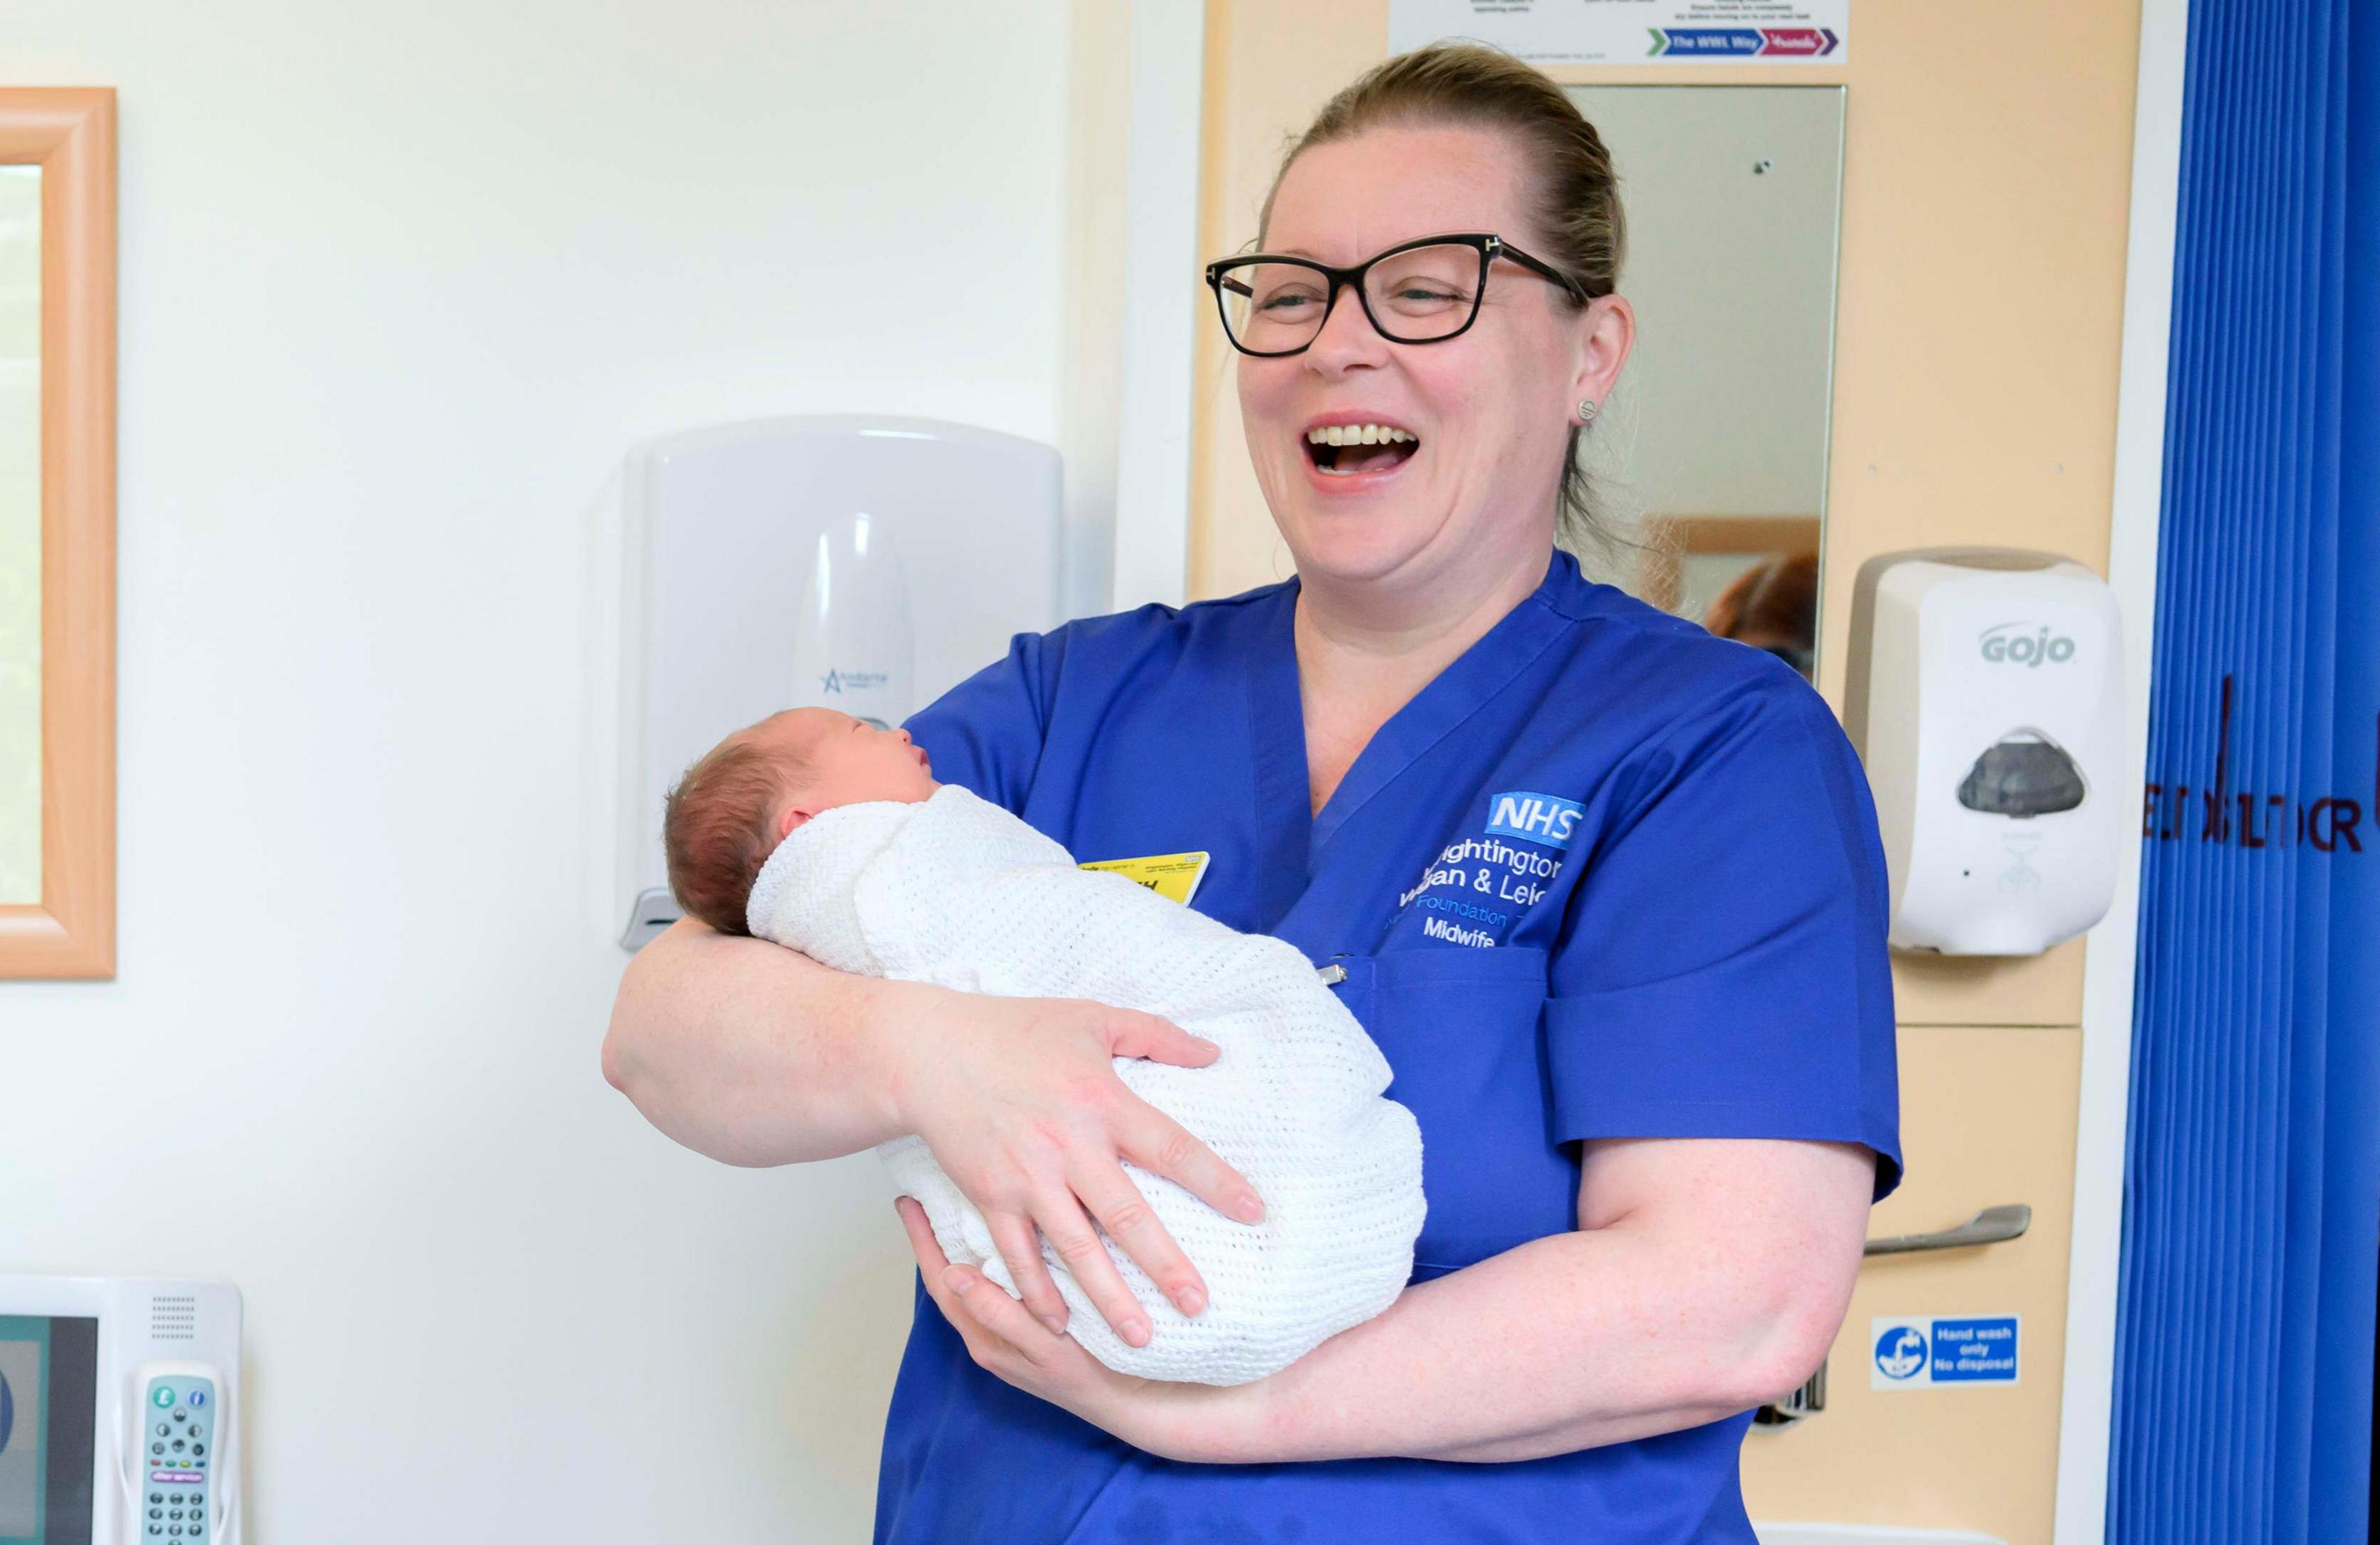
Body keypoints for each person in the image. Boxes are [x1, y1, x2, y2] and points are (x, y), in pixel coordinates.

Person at [606, 42, 1899, 1542]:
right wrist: (924, 1053)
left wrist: (1223, 1412)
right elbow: (664, 1032)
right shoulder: (1077, 702)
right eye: (1288, 293)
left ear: (1592, 351)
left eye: (1428, 289)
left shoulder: (1709, 750)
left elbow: (1730, 1303)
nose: (1336, 344)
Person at [659, 704, 1425, 1386]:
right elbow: (651, 1027)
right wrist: (938, 1050)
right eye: (864, 731)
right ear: (804, 829)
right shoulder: (880, 874)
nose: (903, 732)